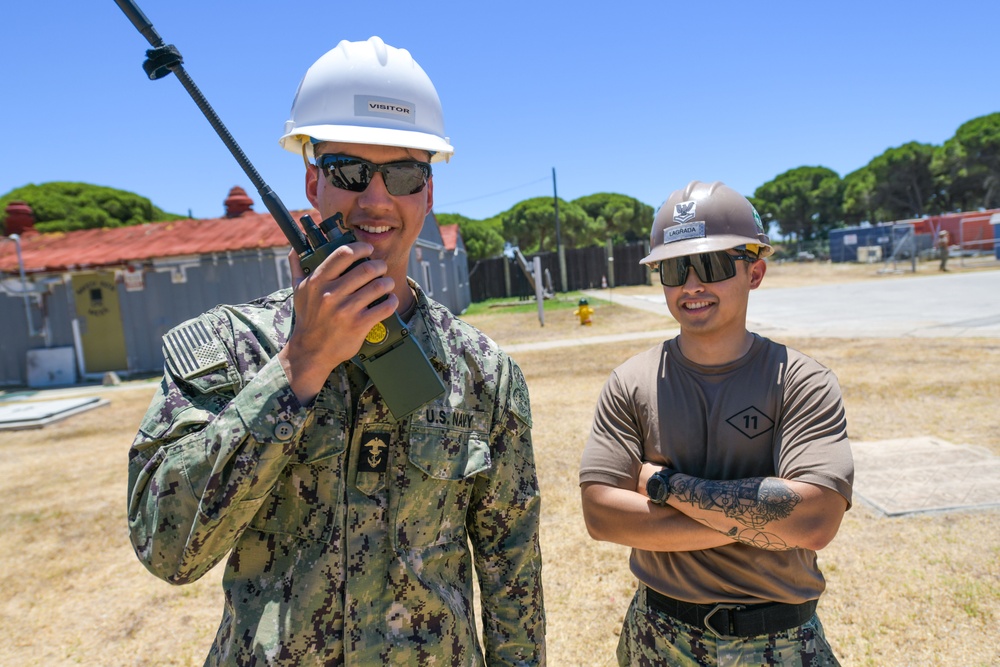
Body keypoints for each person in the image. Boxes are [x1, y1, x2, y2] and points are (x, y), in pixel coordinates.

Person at [127, 37, 545, 666]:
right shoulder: (228, 352)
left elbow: (514, 580)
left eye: (403, 174)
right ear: (312, 183)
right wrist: (299, 366)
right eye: (350, 171)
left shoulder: (485, 375)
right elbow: (166, 549)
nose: (376, 200)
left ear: (427, 194)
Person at [579, 181, 853, 666]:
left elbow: (814, 520)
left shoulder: (801, 381)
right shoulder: (631, 383)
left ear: (756, 271)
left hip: (781, 641)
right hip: (658, 638)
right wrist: (762, 516)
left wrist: (662, 484)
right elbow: (602, 515)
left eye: (712, 264)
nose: (691, 285)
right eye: (672, 268)